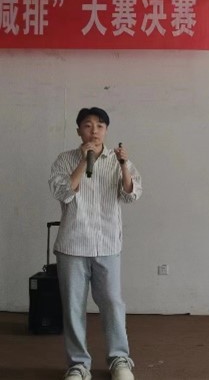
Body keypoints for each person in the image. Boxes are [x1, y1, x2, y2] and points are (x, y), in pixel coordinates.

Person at [49, 107, 142, 380]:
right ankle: (78, 365)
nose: (94, 131)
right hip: (72, 245)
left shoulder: (118, 160)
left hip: (108, 244)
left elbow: (131, 195)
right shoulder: (64, 160)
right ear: (79, 130)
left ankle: (119, 360)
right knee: (73, 307)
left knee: (113, 304)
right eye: (88, 125)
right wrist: (83, 161)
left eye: (100, 126)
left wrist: (124, 165)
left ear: (106, 131)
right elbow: (62, 192)